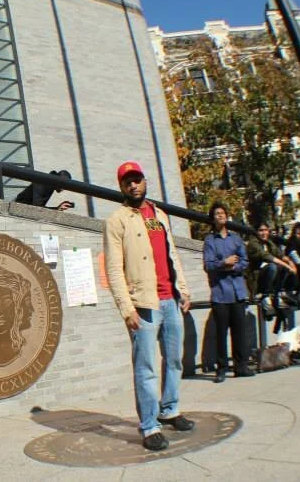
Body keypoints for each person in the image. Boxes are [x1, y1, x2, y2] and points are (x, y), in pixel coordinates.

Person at [103, 161, 194, 451]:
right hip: (143, 303)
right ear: (121, 187)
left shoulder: (160, 215)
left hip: (170, 300)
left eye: (137, 179)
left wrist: (183, 289)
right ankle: (150, 426)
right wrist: (125, 308)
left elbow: (172, 254)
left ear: (145, 182)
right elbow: (114, 269)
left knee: (174, 359)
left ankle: (170, 409)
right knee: (146, 366)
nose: (133, 185)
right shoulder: (117, 220)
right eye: (127, 181)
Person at [202, 202, 254, 382]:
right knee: (221, 333)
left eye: (223, 213)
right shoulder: (209, 241)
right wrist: (225, 262)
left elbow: (245, 262)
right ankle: (222, 368)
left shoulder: (236, 238)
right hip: (220, 294)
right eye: (216, 213)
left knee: (239, 332)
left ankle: (241, 366)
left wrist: (232, 266)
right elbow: (208, 266)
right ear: (213, 218)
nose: (220, 215)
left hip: (238, 292)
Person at [247, 221, 298, 333]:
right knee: (273, 266)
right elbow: (267, 257)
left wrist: (291, 263)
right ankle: (265, 297)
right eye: (261, 230)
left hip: (270, 281)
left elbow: (280, 255)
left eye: (266, 230)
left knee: (282, 268)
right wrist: (286, 265)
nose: (264, 233)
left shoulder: (269, 244)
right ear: (256, 232)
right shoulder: (253, 244)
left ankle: (279, 294)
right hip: (257, 283)